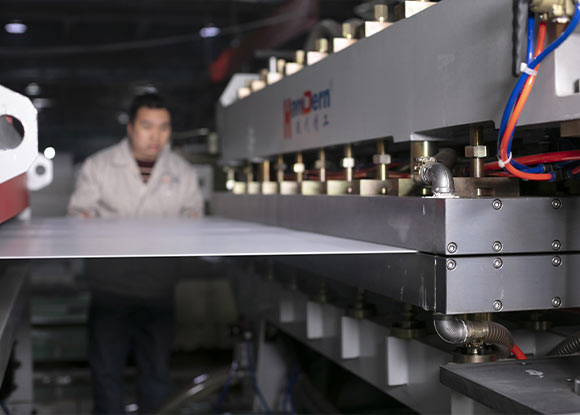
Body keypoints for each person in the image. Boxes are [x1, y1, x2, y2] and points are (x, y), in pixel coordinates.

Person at [68, 93, 204, 414]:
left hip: (159, 290)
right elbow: (77, 216)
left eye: (163, 127)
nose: (155, 135)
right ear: (130, 128)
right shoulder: (99, 166)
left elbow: (195, 220)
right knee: (106, 375)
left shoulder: (182, 171)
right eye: (147, 126)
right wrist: (86, 221)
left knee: (156, 375)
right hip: (109, 290)